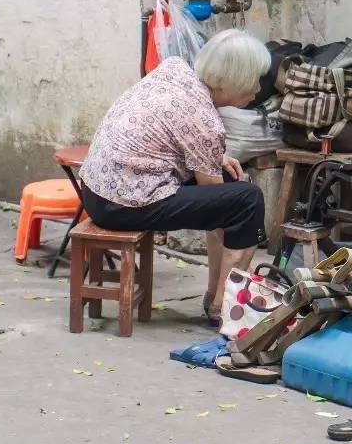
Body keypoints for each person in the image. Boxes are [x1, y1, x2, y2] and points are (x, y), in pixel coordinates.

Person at [79, 29, 272, 325]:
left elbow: (171, 129)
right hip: (124, 204)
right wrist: (246, 233)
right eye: (255, 79)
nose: (258, 88)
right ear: (236, 80)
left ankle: (213, 295)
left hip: (95, 189)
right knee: (247, 201)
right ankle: (224, 305)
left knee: (232, 189)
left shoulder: (175, 70)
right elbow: (217, 203)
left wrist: (215, 158)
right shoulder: (206, 121)